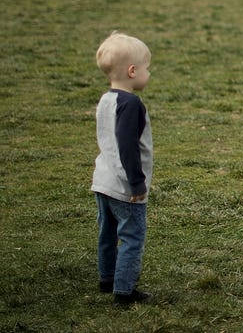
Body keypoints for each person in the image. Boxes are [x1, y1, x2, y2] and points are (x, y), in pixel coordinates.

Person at [90, 32, 153, 305]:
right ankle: (124, 292)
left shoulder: (106, 100)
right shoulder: (131, 105)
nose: (148, 73)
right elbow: (127, 147)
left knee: (107, 233)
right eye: (147, 68)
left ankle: (107, 278)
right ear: (132, 71)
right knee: (131, 237)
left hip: (102, 181)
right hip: (125, 187)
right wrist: (137, 183)